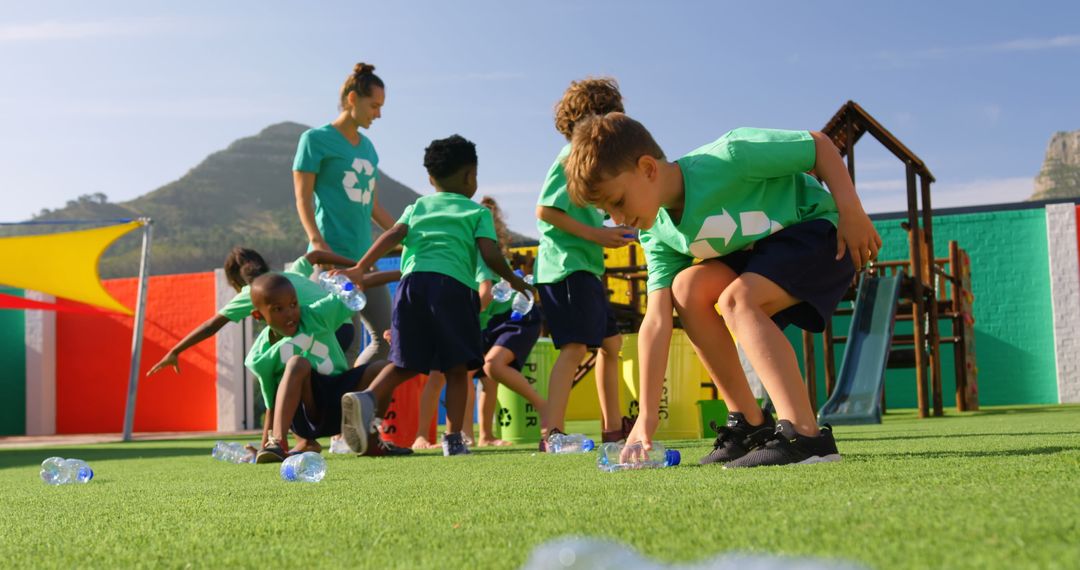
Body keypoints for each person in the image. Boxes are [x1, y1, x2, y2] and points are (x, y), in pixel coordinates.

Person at [563, 112, 880, 468]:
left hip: (823, 235)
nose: (618, 218)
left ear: (648, 168)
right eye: (607, 213)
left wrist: (852, 211)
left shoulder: (730, 156)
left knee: (737, 300)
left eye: (618, 201)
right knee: (686, 287)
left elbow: (819, 146)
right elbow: (655, 320)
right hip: (762, 257)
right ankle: (750, 426)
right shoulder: (657, 233)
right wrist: (646, 417)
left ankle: (806, 437)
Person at [334, 135, 530, 457]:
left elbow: (393, 234)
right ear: (471, 176)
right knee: (456, 369)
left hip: (411, 288)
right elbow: (489, 253)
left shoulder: (418, 206)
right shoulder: (476, 213)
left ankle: (367, 397)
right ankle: (453, 440)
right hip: (453, 289)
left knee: (404, 363)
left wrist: (359, 268)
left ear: (430, 178)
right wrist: (514, 280)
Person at [534, 78, 633, 451]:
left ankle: (613, 429)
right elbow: (545, 210)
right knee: (574, 348)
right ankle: (551, 434)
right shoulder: (570, 157)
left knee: (610, 343)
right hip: (565, 268)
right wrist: (597, 236)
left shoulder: (589, 163)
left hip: (584, 267)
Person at [146, 247, 393, 376]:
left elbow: (212, 324)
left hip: (317, 331)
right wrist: (358, 266)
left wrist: (175, 350)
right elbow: (315, 255)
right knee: (339, 374)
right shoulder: (293, 273)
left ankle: (286, 436)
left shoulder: (253, 292)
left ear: (237, 280)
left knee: (280, 370)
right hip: (343, 326)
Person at [242, 274, 411, 462]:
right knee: (297, 363)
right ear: (258, 315)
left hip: (340, 400)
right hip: (309, 414)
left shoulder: (317, 314)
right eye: (278, 309)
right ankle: (278, 443)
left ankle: (371, 438)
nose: (290, 313)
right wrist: (266, 447)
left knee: (382, 368)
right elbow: (271, 405)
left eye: (293, 304)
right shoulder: (259, 357)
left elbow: (351, 296)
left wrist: (343, 280)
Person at [293, 62, 394, 367]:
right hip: (332, 263)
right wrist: (316, 241)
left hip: (365, 262)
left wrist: (408, 234)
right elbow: (302, 197)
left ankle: (352, 402)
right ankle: (332, 411)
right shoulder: (314, 140)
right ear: (353, 98)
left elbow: (374, 207)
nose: (378, 114)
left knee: (389, 340)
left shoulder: (369, 149)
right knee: (341, 346)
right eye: (374, 106)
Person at [473, 196, 547, 447]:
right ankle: (483, 435)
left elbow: (484, 294)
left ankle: (543, 406)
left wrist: (463, 317)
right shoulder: (471, 256)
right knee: (483, 377)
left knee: (492, 366)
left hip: (517, 317)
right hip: (493, 322)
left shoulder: (482, 255)